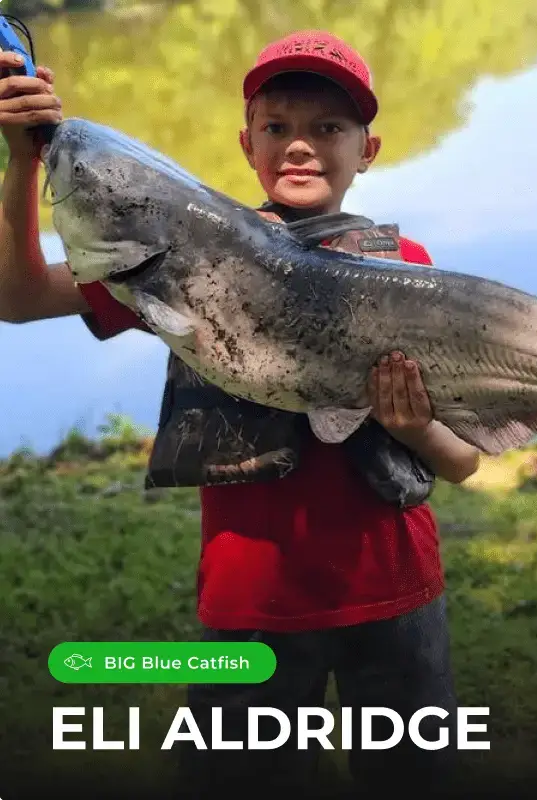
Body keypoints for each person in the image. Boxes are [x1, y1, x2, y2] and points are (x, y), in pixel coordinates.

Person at [0, 30, 480, 798]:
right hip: (249, 602)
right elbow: (16, 300)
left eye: (328, 129)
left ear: (369, 148)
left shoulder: (406, 271)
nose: (300, 146)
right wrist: (24, 161)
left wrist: (411, 421)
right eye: (278, 127)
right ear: (247, 143)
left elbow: (461, 460)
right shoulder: (169, 249)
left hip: (396, 590)